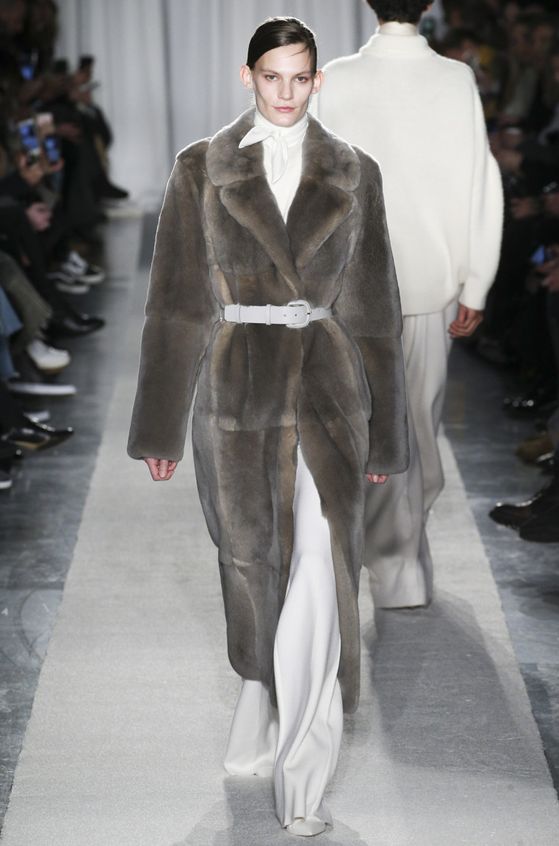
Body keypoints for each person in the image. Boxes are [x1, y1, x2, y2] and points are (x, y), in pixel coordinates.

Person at [128, 16, 408, 837]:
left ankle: (303, 777)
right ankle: (256, 698)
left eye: (300, 77)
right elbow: (176, 303)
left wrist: (389, 432)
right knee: (252, 562)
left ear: (319, 80)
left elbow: (377, 309)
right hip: (238, 389)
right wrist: (159, 426)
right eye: (272, 77)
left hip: (328, 387)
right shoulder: (201, 168)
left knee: (322, 571)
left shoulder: (354, 171)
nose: (287, 93)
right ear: (247, 76)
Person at [313, 0, 503, 609]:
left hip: (351, 281)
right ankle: (400, 567)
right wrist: (476, 282)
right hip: (430, 281)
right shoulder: (455, 78)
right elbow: (480, 181)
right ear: (427, 5)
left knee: (365, 425)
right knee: (416, 427)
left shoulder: (335, 78)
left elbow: (315, 185)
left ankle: (379, 558)